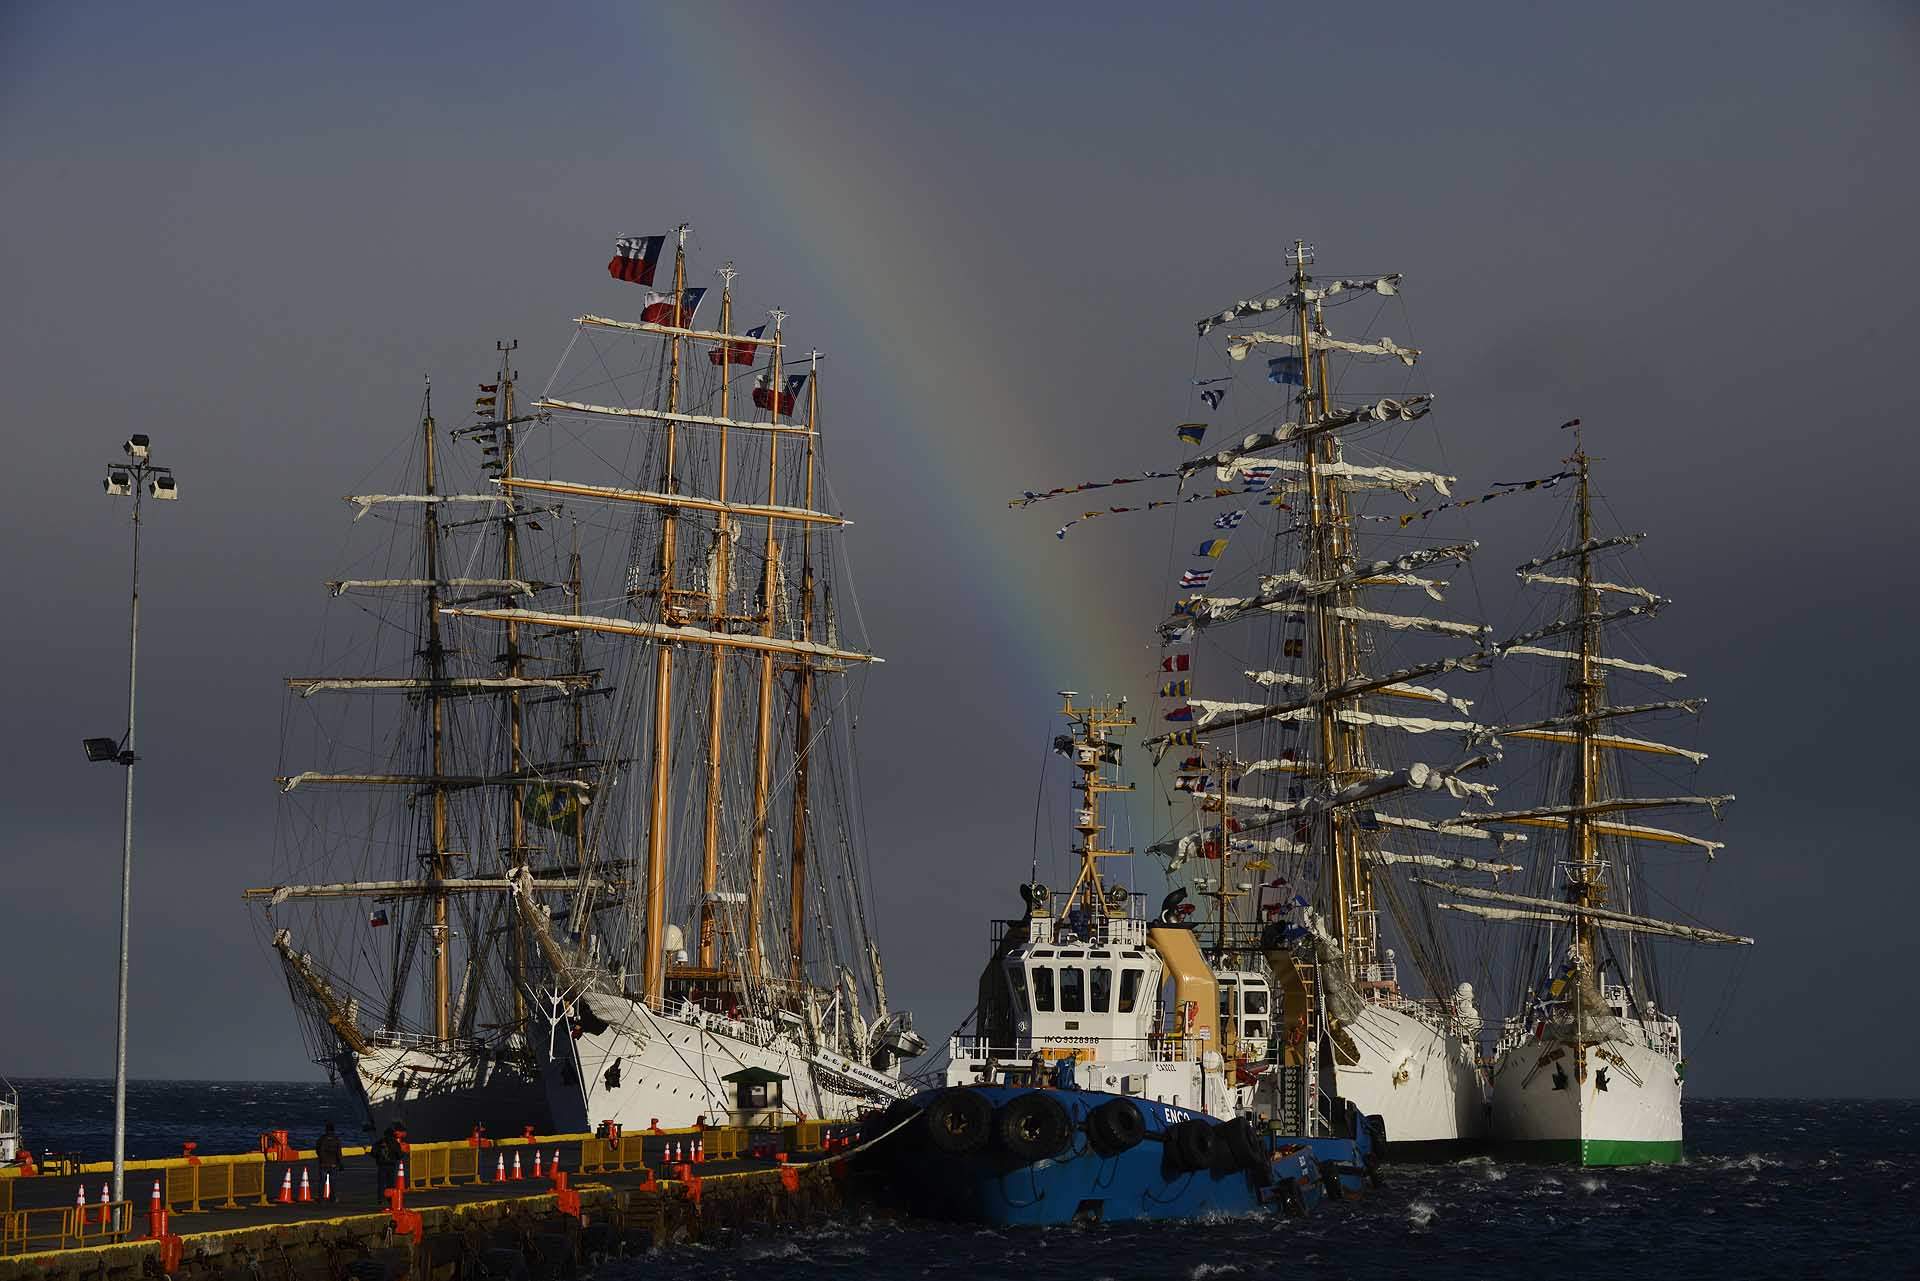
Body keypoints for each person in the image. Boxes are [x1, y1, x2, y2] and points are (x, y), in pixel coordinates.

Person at [371, 1125, 401, 1205]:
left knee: (381, 1183)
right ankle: (390, 1199)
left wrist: (378, 1157)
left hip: (382, 1165)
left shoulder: (379, 1142)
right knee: (391, 1184)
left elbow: (373, 1153)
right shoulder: (395, 1143)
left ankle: (380, 1198)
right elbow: (400, 1155)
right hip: (391, 1166)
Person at [316, 1123, 343, 1204]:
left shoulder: (321, 1139)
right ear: (333, 1130)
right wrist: (340, 1163)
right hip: (333, 1164)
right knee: (333, 1182)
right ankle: (333, 1198)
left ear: (326, 1130)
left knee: (321, 1182)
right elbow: (339, 1153)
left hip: (323, 1164)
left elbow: (318, 1150)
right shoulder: (336, 1139)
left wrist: (322, 1159)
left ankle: (321, 1198)